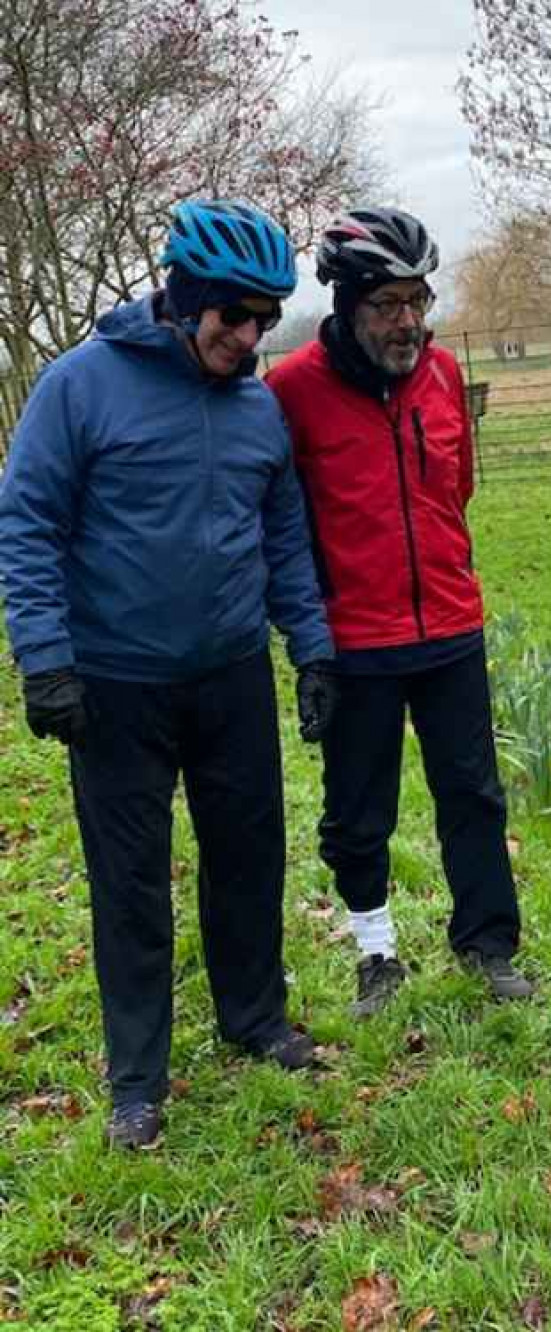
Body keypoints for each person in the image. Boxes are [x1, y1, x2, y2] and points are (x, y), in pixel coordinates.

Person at [0, 200, 339, 1149]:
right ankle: (138, 1079)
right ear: (182, 299)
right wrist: (46, 660)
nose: (249, 336)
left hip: (229, 675)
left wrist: (309, 646)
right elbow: (27, 524)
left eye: (267, 318)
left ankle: (254, 1018)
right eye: (233, 315)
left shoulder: (257, 409)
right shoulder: (80, 388)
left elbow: (282, 535)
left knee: (248, 859)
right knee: (132, 882)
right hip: (115, 685)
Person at [265, 206, 534, 1018]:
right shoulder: (290, 393)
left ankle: (487, 945)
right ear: (345, 306)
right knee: (358, 808)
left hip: (451, 624)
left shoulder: (446, 377)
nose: (408, 321)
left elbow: (458, 489)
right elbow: (280, 522)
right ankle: (376, 953)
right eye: (388, 305)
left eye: (418, 300)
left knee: (474, 796)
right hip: (355, 638)